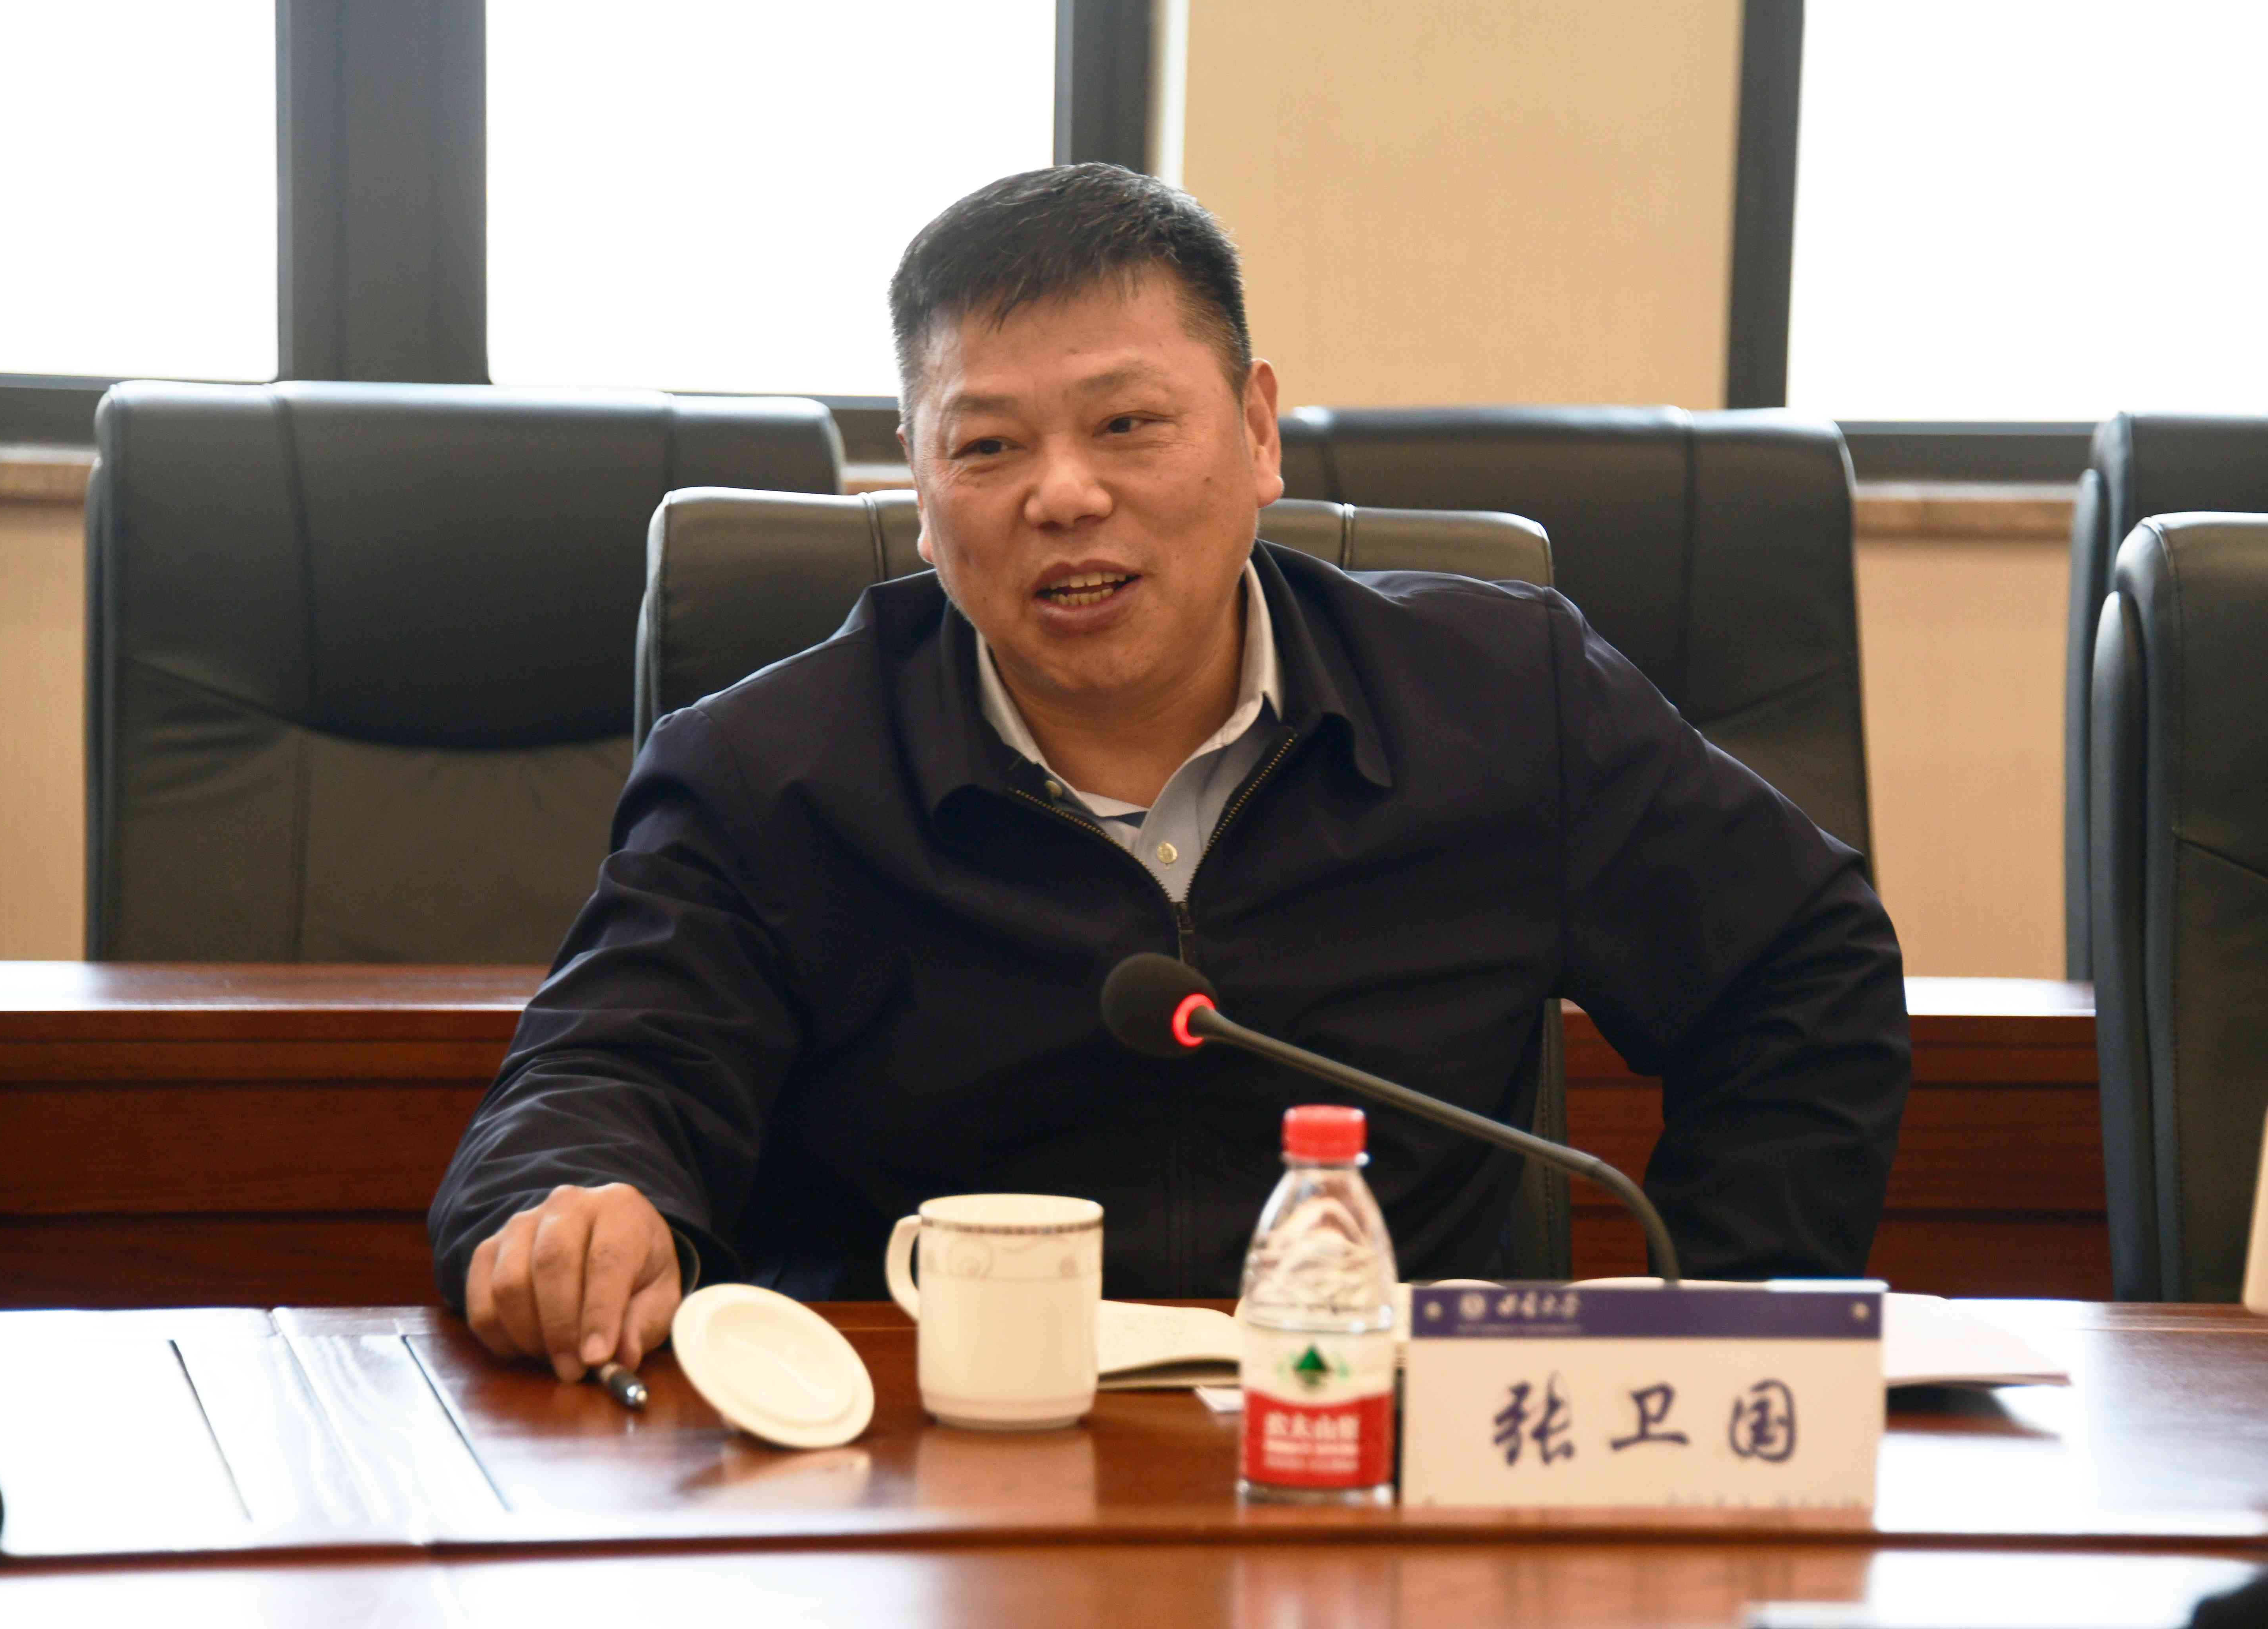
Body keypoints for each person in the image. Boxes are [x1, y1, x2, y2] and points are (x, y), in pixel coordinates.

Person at [429, 164, 1911, 1384]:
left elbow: (1803, 968)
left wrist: (1713, 1332)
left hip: (1386, 1451)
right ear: (922, 492)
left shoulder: (1503, 699)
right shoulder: (768, 774)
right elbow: (602, 1074)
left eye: (1128, 424)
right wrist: (579, 1209)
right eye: (988, 446)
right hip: (926, 1470)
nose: (1064, 495)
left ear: (1257, 431)